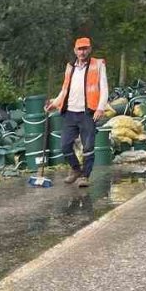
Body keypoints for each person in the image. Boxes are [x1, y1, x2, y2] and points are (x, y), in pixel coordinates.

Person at [46, 36, 109, 187]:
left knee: (88, 147)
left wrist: (100, 107)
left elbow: (104, 88)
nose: (82, 52)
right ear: (75, 51)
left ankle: (85, 177)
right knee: (65, 145)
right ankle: (75, 169)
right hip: (70, 112)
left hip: (88, 112)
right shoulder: (70, 67)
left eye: (85, 48)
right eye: (80, 49)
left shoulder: (98, 64)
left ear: (90, 49)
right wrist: (54, 104)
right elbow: (65, 90)